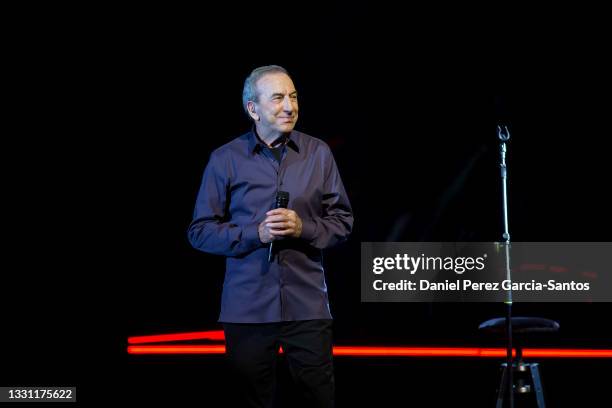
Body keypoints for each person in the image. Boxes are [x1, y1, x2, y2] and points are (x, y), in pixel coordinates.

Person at [187, 65, 353, 407]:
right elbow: (200, 232)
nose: (289, 106)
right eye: (278, 98)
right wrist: (256, 233)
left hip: (307, 305)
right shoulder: (225, 159)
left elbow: (342, 222)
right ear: (253, 109)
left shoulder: (318, 153)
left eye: (293, 97)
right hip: (247, 309)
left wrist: (303, 228)